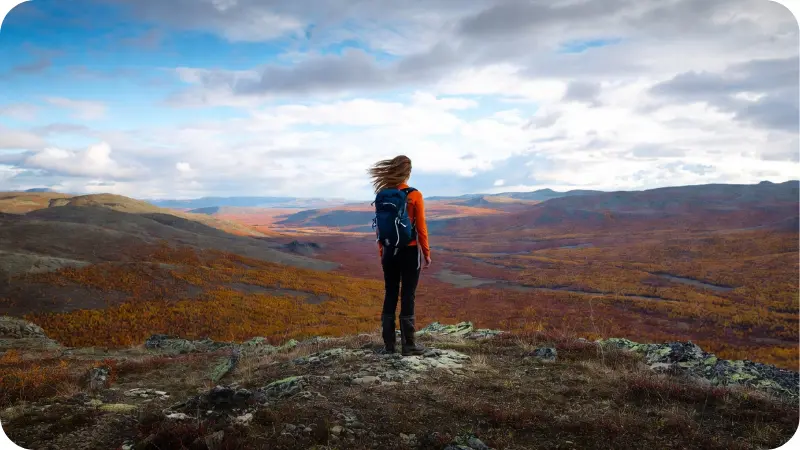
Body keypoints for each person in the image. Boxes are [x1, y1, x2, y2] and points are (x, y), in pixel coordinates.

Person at [368, 155, 431, 356]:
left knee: (390, 293)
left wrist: (382, 251)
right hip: (410, 251)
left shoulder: (383, 194)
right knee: (408, 295)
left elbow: (380, 228)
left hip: (388, 251)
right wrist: (426, 253)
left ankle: (388, 346)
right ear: (408, 173)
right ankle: (409, 345)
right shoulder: (414, 195)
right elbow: (421, 228)